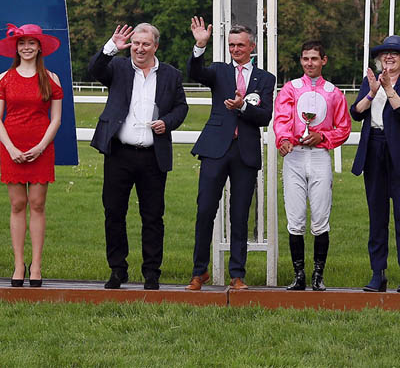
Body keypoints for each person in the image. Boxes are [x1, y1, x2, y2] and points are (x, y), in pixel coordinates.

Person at [88, 23, 188, 291]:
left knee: (153, 217)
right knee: (114, 213)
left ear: (155, 46)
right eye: (136, 43)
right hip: (119, 154)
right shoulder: (117, 68)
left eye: (145, 44)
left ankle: (151, 273)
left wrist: (167, 122)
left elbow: (181, 107)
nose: (139, 49)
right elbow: (94, 70)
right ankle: (117, 270)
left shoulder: (171, 75)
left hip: (153, 157)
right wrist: (111, 46)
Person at [185, 17, 275, 290]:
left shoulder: (265, 78)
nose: (235, 49)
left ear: (252, 47)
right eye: (232, 45)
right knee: (205, 210)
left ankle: (237, 274)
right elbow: (195, 73)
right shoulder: (219, 71)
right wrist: (200, 46)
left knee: (240, 214)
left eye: (240, 45)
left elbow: (265, 116)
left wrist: (242, 107)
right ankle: (198, 272)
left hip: (245, 152)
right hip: (215, 149)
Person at [350, 35, 400, 293]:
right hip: (374, 150)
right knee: (377, 216)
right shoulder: (370, 82)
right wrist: (372, 92)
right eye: (385, 53)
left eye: (395, 53)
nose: (389, 56)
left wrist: (389, 90)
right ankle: (377, 273)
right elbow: (356, 112)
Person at [273, 41, 351, 291]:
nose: (310, 63)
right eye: (305, 58)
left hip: (319, 157)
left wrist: (323, 137)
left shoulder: (334, 92)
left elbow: (344, 128)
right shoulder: (290, 88)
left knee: (320, 218)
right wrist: (284, 140)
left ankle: (318, 276)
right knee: (295, 218)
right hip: (294, 156)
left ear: (323, 61)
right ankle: (299, 275)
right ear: (301, 60)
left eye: (314, 58)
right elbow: (282, 119)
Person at [0, 23, 64, 288]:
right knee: (17, 204)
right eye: (22, 43)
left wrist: (41, 146)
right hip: (11, 147)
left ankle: (36, 266)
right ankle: (18, 264)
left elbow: (56, 119)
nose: (27, 47)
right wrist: (11, 148)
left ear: (40, 47)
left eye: (31, 43)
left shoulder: (51, 78)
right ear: (16, 47)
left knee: (37, 204)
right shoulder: (4, 78)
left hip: (41, 147)